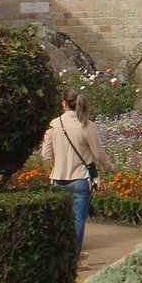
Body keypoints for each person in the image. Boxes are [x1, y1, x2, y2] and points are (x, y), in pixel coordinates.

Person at [41, 89, 106, 256]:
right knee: (78, 221)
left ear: (63, 103)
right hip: (80, 179)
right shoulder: (86, 124)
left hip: (58, 178)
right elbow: (98, 155)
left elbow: (45, 154)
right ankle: (74, 256)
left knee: (60, 221)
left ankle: (61, 257)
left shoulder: (54, 124)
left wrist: (55, 166)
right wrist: (111, 167)